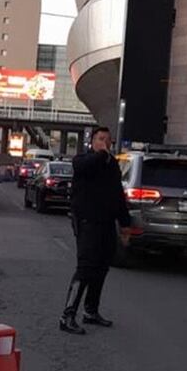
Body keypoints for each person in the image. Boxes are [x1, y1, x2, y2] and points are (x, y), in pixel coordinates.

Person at [60, 126, 131, 335]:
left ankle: (91, 310)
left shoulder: (112, 165)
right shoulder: (83, 160)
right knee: (86, 267)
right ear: (92, 141)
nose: (105, 143)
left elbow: (118, 195)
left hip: (106, 222)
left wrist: (125, 223)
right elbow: (85, 167)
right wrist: (99, 154)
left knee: (102, 267)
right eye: (101, 139)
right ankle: (67, 315)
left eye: (108, 140)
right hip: (87, 222)